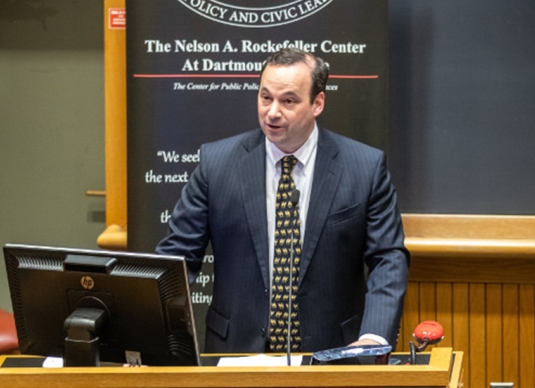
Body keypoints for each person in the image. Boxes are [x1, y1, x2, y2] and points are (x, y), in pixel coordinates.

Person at [156, 47, 409, 354]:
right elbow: (179, 257)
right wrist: (147, 329)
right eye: (266, 98)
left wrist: (374, 336)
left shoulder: (364, 168)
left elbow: (388, 258)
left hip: (334, 354)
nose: (273, 111)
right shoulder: (217, 163)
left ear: (317, 103)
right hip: (236, 351)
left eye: (288, 100)